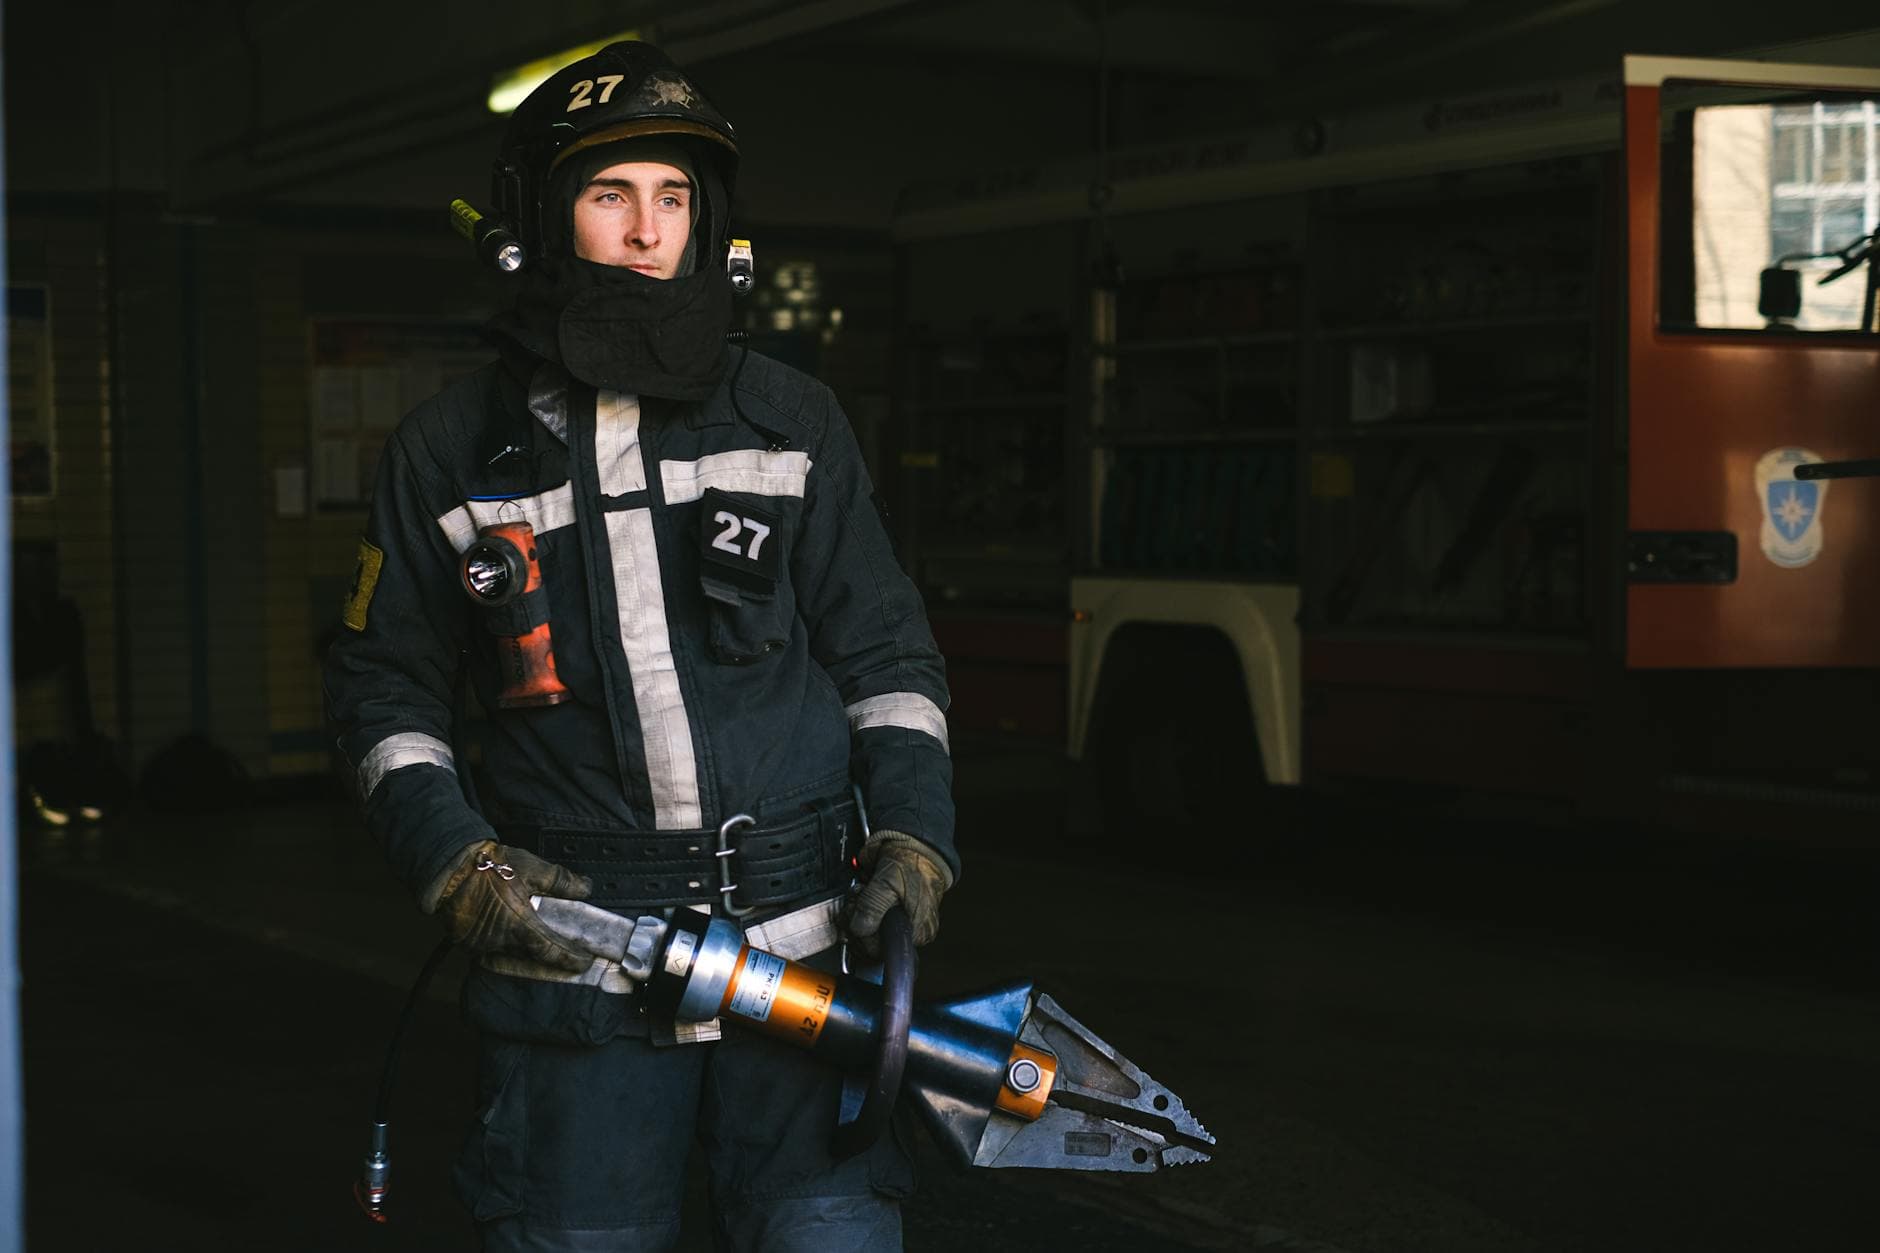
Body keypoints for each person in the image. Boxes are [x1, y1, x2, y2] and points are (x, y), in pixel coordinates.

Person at [323, 39, 956, 1252]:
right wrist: (453, 857)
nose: (645, 229)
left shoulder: (793, 422)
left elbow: (886, 657)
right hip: (578, 981)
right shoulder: (448, 452)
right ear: (539, 223)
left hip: (803, 974)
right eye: (609, 194)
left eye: (672, 197)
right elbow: (381, 688)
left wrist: (917, 832)